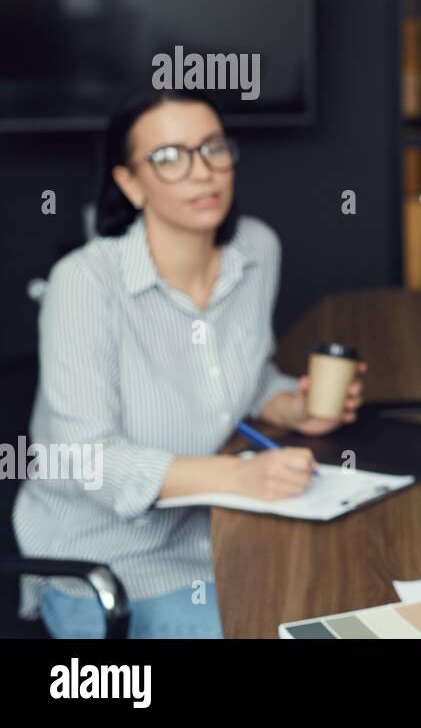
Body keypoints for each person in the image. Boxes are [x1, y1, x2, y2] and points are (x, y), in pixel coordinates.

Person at [13, 87, 366, 638]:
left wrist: (294, 408)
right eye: (170, 158)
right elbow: (88, 460)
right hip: (112, 562)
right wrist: (240, 475)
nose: (202, 172)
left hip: (225, 531)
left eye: (213, 148)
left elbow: (238, 380)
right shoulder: (85, 283)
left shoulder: (256, 249)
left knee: (348, 603)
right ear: (129, 183)